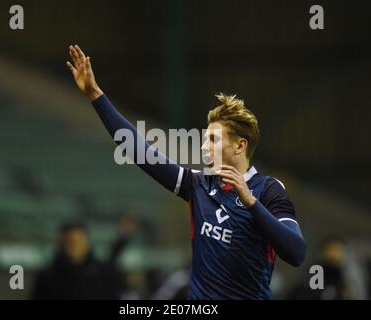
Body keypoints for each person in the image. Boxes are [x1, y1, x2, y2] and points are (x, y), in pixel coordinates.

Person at [66, 45, 306, 299]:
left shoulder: (268, 190)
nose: (204, 146)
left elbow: (296, 253)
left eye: (213, 139)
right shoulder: (199, 185)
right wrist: (95, 95)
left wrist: (251, 202)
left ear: (240, 145)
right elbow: (140, 151)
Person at [31, 221, 125, 300]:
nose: (74, 246)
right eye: (69, 242)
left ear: (87, 243)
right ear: (61, 244)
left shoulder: (104, 272)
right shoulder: (47, 275)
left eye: (78, 241)